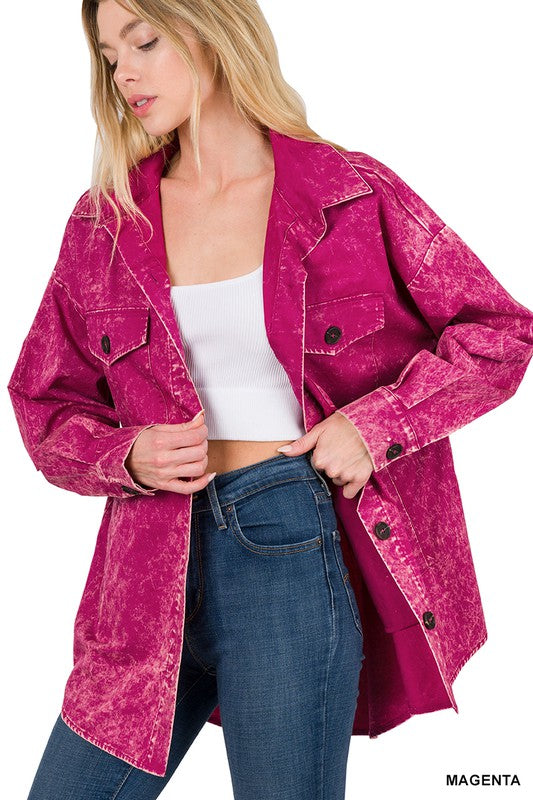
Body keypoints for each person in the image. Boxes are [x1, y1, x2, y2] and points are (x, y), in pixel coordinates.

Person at [7, 1, 533, 798]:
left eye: (143, 42)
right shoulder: (104, 223)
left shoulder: (350, 193)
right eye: (110, 57)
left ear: (213, 31)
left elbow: (497, 331)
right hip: (144, 570)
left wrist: (374, 426)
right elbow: (42, 401)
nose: (124, 74)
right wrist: (126, 454)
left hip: (285, 542)